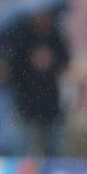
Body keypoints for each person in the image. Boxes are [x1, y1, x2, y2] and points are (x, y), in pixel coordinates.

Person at [9, 11, 70, 157]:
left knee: (55, 147)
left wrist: (52, 61)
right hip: (28, 101)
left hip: (51, 101)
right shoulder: (22, 37)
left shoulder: (55, 36)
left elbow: (65, 62)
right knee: (27, 147)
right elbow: (15, 68)